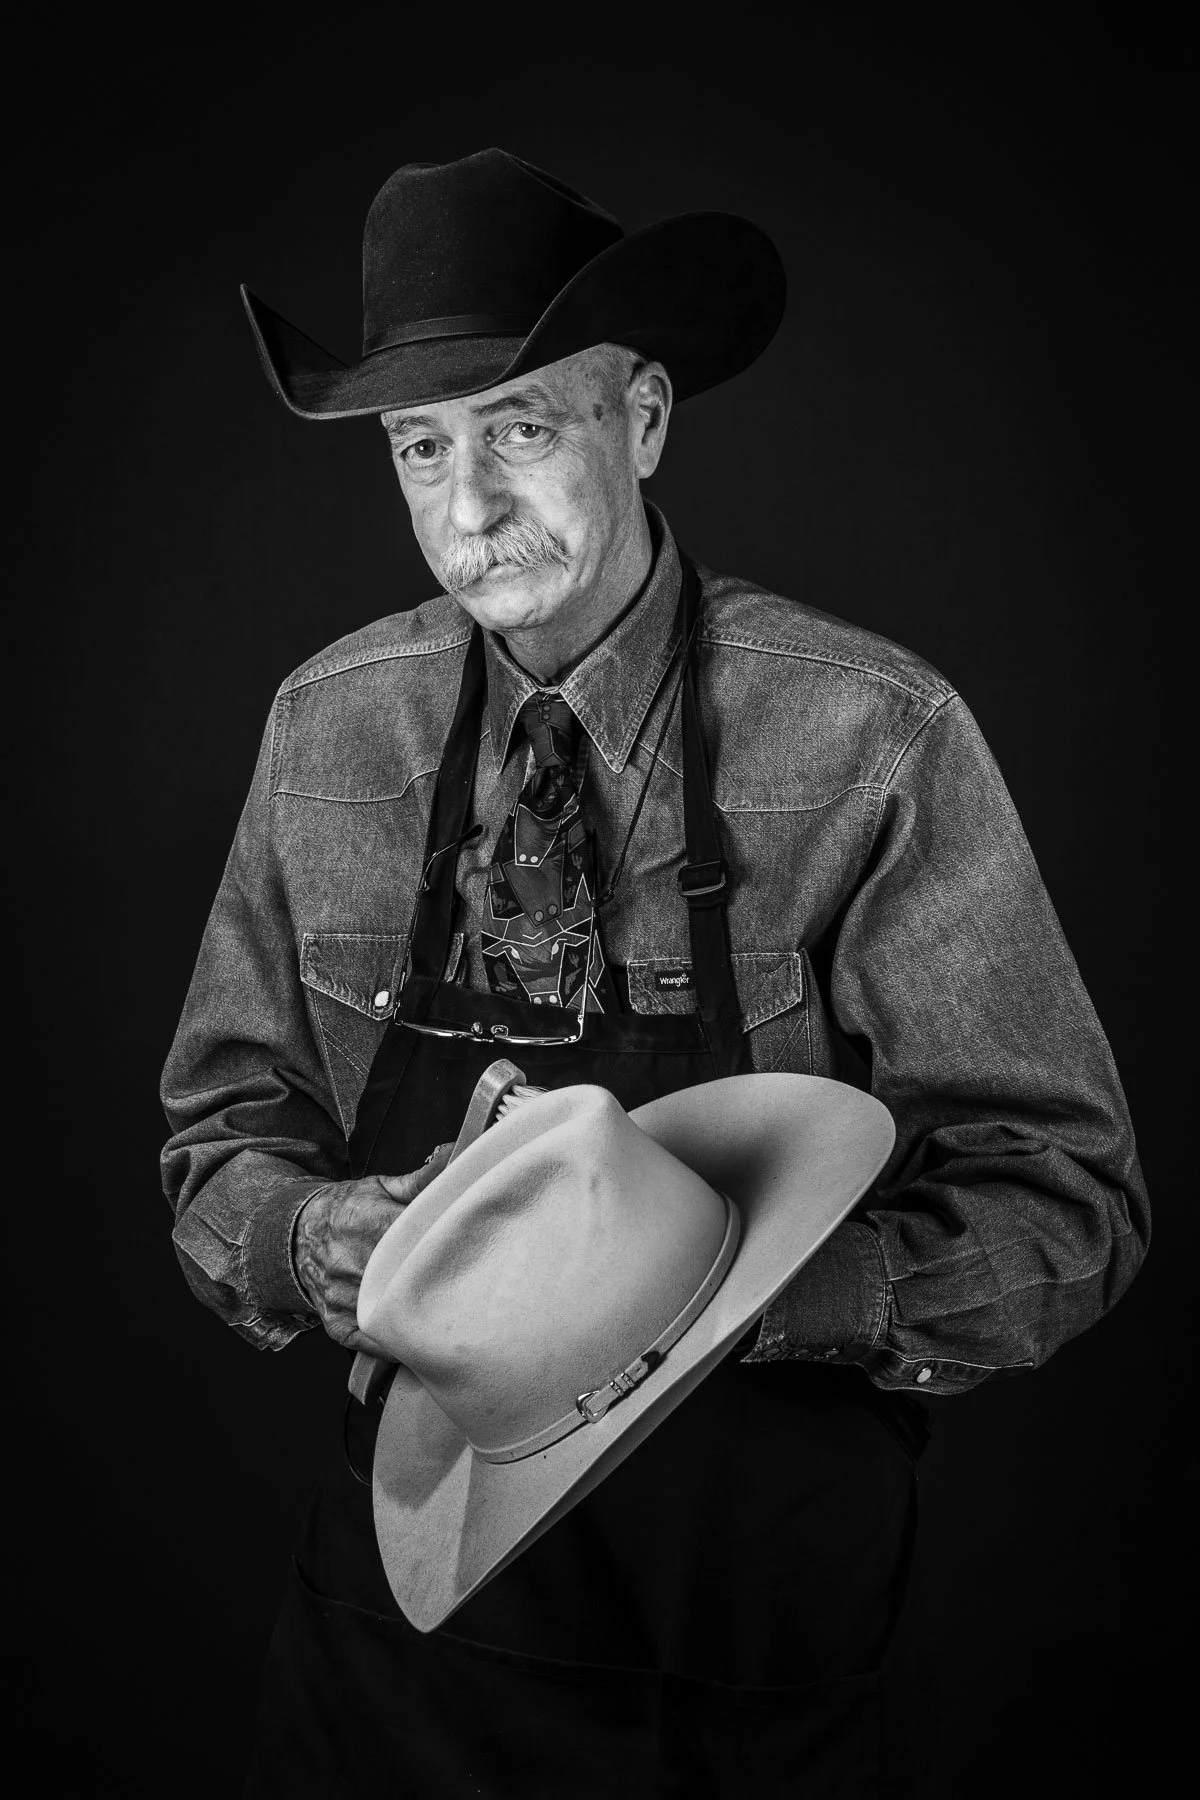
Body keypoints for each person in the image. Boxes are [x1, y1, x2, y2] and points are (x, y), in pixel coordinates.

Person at [160, 149, 1149, 1798]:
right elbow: (218, 1135)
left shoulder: (871, 737)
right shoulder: (328, 727)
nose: (467, 510)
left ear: (644, 418)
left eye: (522, 428)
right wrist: (299, 1234)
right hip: (393, 1654)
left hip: (748, 1660)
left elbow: (1071, 1206)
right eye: (423, 447)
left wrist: (730, 1302)